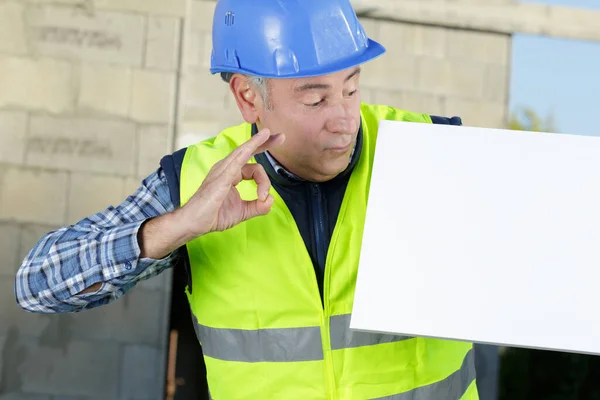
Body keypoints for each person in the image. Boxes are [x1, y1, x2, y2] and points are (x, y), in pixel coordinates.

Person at [15, 0, 479, 398]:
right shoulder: (194, 180)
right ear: (247, 98)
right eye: (315, 101)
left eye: (352, 88)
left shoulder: (431, 149)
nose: (344, 119)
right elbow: (36, 283)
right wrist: (177, 227)